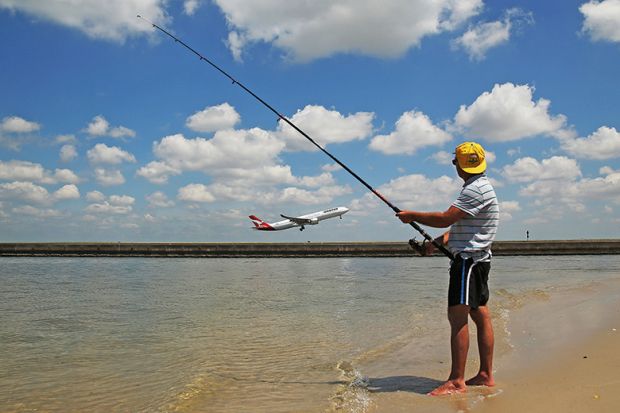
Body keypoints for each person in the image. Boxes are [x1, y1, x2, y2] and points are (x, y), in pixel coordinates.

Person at [396, 141, 499, 396]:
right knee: (480, 315)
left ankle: (456, 381)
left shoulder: (475, 190)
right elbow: (460, 227)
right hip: (479, 260)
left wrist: (413, 216)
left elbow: (446, 217)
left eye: (455, 162)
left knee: (457, 317)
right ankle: (485, 374)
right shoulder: (481, 187)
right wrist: (434, 244)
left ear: (460, 165)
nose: (455, 166)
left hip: (468, 262)